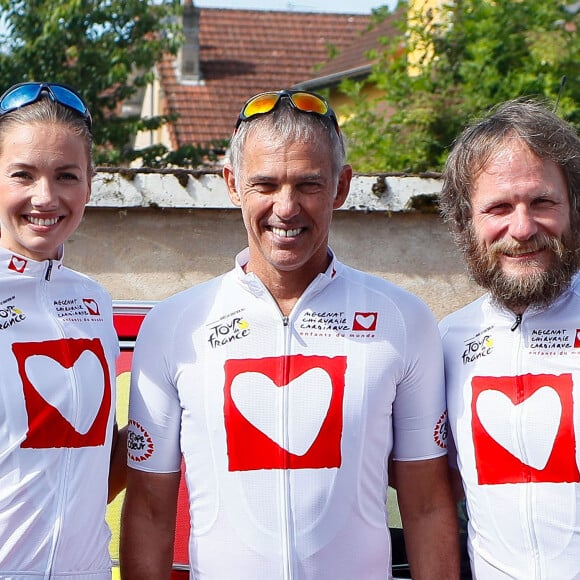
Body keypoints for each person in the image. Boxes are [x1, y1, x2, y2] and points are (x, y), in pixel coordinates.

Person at [120, 88, 460, 580]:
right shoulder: (175, 324)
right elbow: (150, 510)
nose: (286, 207)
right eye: (265, 184)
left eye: (308, 184)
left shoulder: (403, 320)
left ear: (342, 187)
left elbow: (427, 504)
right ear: (233, 184)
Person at [438, 98, 580, 579]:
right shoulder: (444, 343)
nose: (521, 228)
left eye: (542, 202)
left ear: (574, 208)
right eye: (498, 207)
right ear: (465, 224)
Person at [0, 82, 126, 578]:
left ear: (89, 186)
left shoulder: (94, 301)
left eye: (66, 176)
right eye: (23, 175)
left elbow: (98, 453)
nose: (45, 197)